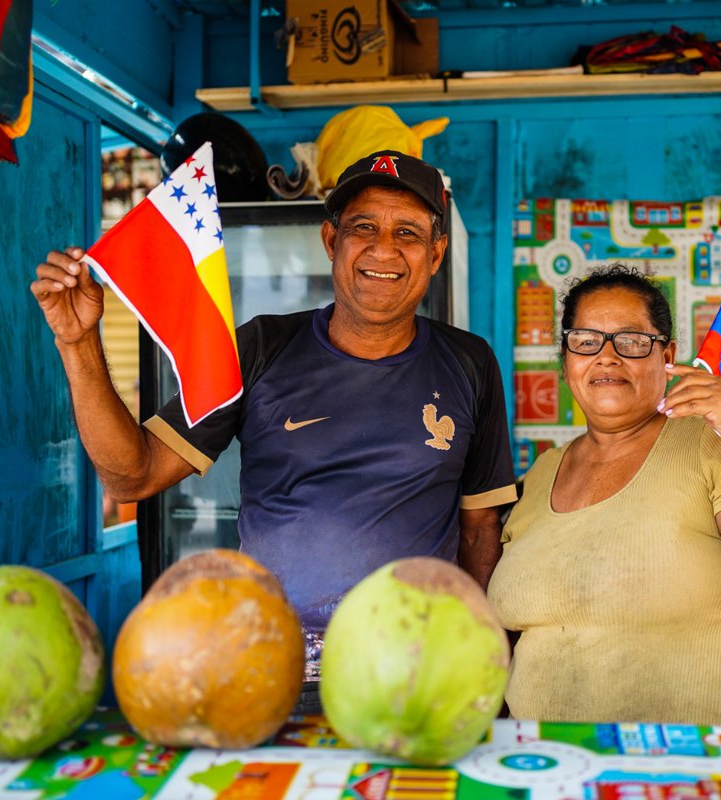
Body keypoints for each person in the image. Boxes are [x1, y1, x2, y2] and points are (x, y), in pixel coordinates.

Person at [31, 149, 517, 702]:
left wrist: (485, 664)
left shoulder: (470, 363)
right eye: (363, 227)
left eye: (407, 232)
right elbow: (132, 476)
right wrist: (77, 343)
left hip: (419, 673)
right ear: (331, 241)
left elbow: (480, 530)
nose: (384, 249)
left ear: (436, 254)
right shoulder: (260, 347)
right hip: (274, 672)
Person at [487, 264, 721, 726]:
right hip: (553, 759)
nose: (607, 357)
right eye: (586, 340)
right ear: (566, 358)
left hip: (696, 760)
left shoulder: (710, 445)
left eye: (632, 341)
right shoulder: (541, 474)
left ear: (667, 355)